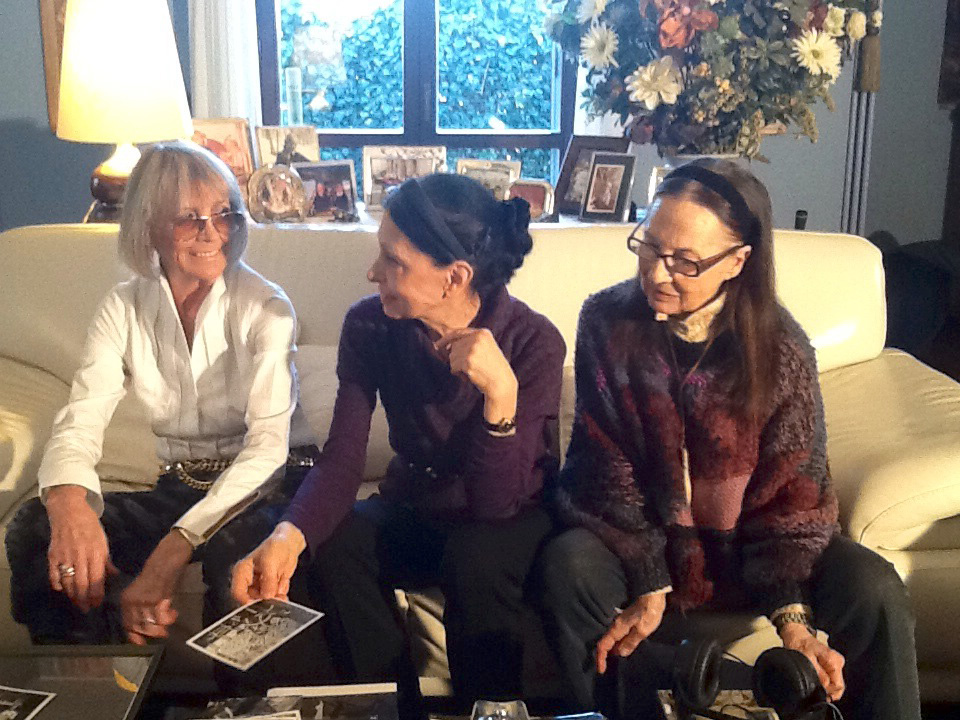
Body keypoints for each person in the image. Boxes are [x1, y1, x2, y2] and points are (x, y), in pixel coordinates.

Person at [536, 159, 921, 720]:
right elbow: (603, 466)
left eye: (685, 261)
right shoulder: (606, 322)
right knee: (568, 566)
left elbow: (794, 496)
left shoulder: (781, 349)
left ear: (738, 261)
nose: (657, 273)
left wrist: (793, 620)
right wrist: (650, 580)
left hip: (750, 550)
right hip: (644, 540)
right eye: (649, 247)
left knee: (874, 586)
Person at [231, 173, 566, 709]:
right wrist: (290, 535)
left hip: (509, 516)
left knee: (476, 558)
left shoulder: (534, 341)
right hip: (417, 504)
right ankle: (391, 707)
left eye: (393, 261)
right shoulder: (370, 326)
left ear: (454, 277)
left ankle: (491, 710)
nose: (373, 272)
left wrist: (500, 396)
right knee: (335, 540)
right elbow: (342, 460)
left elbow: (496, 503)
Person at [5, 140, 314, 647]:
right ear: (148, 225)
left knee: (233, 554)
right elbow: (81, 417)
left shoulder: (266, 307)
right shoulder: (123, 306)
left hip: (272, 484)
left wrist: (168, 556)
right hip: (182, 485)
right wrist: (68, 503)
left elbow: (266, 452)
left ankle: (245, 692)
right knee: (35, 528)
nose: (212, 232)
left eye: (224, 214)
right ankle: (101, 676)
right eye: (190, 218)